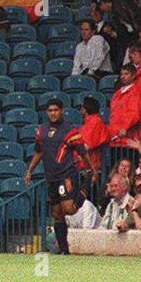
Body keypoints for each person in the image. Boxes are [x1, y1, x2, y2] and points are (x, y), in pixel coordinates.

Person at [24, 98, 87, 254]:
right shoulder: (41, 130)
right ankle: (64, 251)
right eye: (50, 110)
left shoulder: (70, 130)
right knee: (57, 214)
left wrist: (91, 169)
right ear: (47, 112)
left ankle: (84, 190)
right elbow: (39, 152)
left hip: (65, 174)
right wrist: (29, 170)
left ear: (61, 111)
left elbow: (82, 151)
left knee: (69, 209)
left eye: (56, 110)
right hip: (51, 176)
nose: (53, 113)